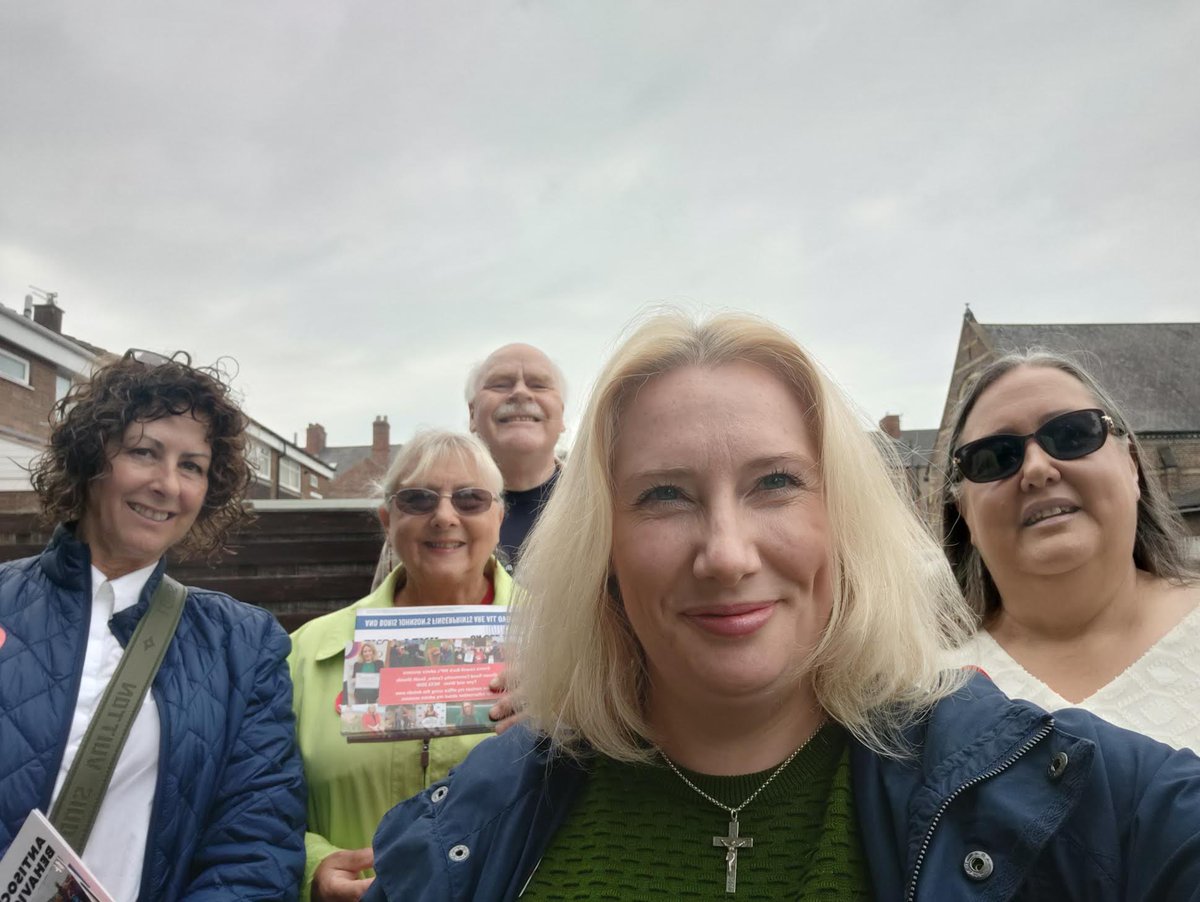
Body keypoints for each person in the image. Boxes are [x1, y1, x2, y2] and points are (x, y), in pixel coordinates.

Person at [362, 312, 1200, 901]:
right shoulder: (470, 824)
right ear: (602, 550)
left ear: (841, 520)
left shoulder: (1053, 785)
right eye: (663, 494)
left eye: (775, 484)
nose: (726, 553)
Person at [0, 350, 305, 901]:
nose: (168, 484)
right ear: (91, 460)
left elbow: (254, 850)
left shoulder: (243, 644)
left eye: (192, 465)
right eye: (145, 452)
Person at [288, 430, 515, 902]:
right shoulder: (306, 652)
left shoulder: (565, 645)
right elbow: (256, 801)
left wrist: (563, 732)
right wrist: (313, 866)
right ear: (387, 519)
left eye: (471, 499)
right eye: (418, 499)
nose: (445, 516)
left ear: (499, 516)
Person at [940, 350, 1200, 750]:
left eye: (1073, 434)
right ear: (964, 512)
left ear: (1131, 466)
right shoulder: (926, 693)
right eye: (995, 457)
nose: (1037, 469)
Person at [466, 342, 566, 571]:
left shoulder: (605, 506)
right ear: (472, 414)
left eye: (539, 385)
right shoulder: (423, 514)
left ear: (561, 416)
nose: (520, 393)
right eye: (500, 385)